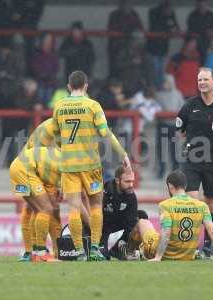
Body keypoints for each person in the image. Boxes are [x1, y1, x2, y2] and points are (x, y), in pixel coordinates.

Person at [52, 70, 131, 261]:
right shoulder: (93, 105)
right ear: (86, 86)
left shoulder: (59, 106)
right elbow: (105, 133)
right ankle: (95, 248)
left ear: (69, 87)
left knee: (73, 208)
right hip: (91, 165)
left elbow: (56, 137)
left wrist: (66, 149)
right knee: (96, 205)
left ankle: (79, 250)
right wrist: (123, 153)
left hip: (69, 165)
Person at [176, 67, 213, 258]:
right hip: (192, 160)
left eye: (205, 79)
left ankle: (208, 248)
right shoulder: (189, 106)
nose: (201, 83)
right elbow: (180, 131)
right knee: (192, 200)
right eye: (199, 80)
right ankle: (191, 247)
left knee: (211, 204)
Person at [148, 170, 213, 261]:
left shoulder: (165, 205)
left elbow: (166, 233)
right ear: (185, 186)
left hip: (166, 254)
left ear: (170, 186)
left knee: (143, 224)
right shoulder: (202, 206)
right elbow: (212, 232)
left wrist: (158, 257)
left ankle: (133, 252)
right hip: (188, 255)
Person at [9, 146, 62, 262]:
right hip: (25, 170)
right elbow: (54, 204)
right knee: (46, 209)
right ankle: (41, 253)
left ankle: (33, 252)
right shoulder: (60, 166)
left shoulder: (55, 156)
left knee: (37, 210)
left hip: (16, 168)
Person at [99, 166, 137, 259]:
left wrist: (124, 240)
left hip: (120, 225)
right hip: (103, 227)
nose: (131, 185)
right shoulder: (103, 191)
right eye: (127, 181)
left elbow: (131, 224)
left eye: (132, 181)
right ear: (117, 180)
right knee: (103, 256)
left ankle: (118, 248)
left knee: (142, 215)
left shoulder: (131, 195)